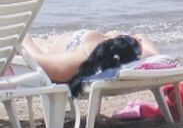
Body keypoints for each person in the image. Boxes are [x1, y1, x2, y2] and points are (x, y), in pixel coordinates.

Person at [22, 29, 160, 85]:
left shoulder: (81, 58)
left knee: (35, 43)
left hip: (48, 49)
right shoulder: (139, 53)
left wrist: (24, 39)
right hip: (69, 43)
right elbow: (141, 36)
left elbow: (36, 58)